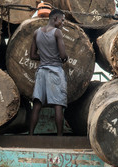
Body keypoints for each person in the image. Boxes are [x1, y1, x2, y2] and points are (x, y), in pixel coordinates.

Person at [28, 8, 68, 136]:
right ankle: (60, 136)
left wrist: (45, 57)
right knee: (58, 104)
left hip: (41, 72)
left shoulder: (36, 32)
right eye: (62, 20)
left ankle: (30, 135)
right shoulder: (57, 33)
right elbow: (62, 55)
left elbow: (32, 55)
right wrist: (64, 57)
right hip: (55, 71)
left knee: (37, 104)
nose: (62, 23)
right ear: (55, 18)